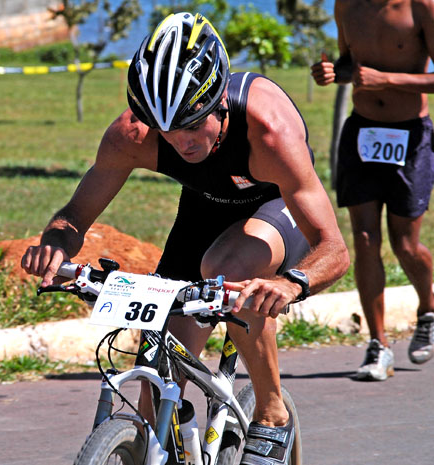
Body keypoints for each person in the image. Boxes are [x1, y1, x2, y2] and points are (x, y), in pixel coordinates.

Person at [23, 12, 349, 464]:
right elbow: (76, 215)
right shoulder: (132, 135)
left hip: (276, 210)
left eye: (194, 125)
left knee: (228, 271)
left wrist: (290, 283)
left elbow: (333, 247)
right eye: (169, 131)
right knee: (157, 381)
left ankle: (273, 413)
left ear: (219, 104)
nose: (183, 143)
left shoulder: (269, 132)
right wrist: (56, 244)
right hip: (204, 211)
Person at [311, 0, 434, 381]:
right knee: (364, 240)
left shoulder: (421, 6)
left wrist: (389, 80)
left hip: (409, 136)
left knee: (406, 245)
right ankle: (378, 345)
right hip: (363, 131)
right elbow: (351, 66)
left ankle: (428, 311)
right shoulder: (346, 5)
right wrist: (333, 72)